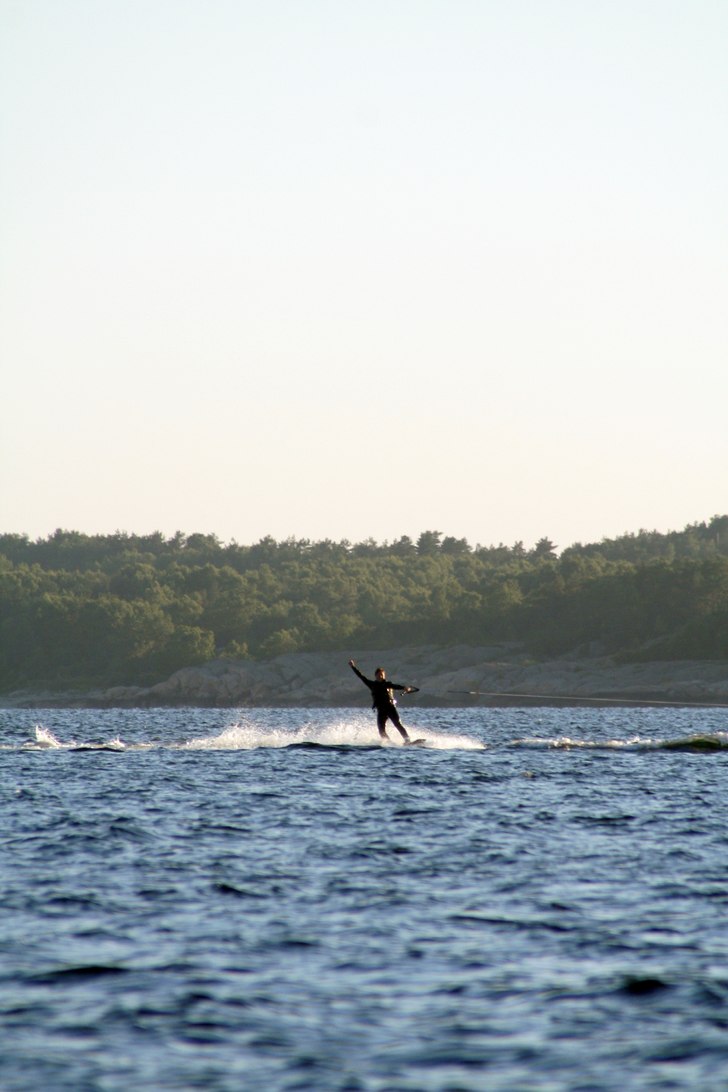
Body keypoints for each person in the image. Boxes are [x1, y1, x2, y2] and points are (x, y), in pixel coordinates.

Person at [348, 659, 418, 742]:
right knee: (381, 729)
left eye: (382, 675)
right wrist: (353, 667)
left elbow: (395, 686)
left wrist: (404, 688)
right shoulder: (372, 684)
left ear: (384, 676)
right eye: (379, 675)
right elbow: (361, 676)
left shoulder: (387, 684)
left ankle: (407, 740)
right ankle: (388, 742)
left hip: (390, 707)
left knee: (397, 724)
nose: (380, 676)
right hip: (381, 710)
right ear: (375, 676)